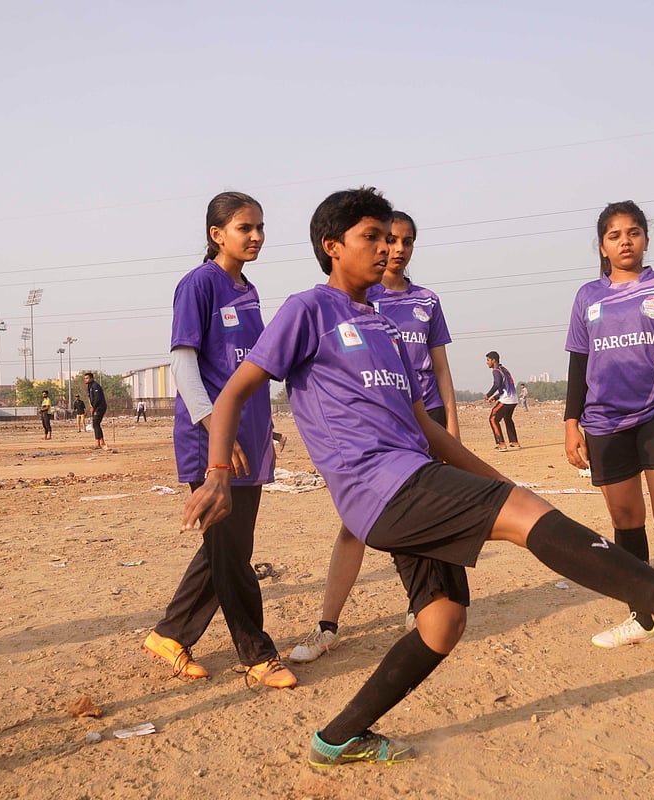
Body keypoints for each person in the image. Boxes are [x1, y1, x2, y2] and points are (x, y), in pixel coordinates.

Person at [183, 187, 654, 768]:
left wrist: (494, 477)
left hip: (412, 474)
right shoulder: (308, 309)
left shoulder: (382, 321)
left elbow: (420, 423)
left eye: (389, 239)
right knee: (526, 521)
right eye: (371, 238)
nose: (385, 250)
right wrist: (216, 472)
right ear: (332, 247)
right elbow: (238, 391)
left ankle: (339, 737)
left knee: (442, 624)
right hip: (380, 486)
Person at [289, 209, 460, 664]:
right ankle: (328, 623)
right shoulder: (356, 298)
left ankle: (423, 606)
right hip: (377, 430)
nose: (395, 249)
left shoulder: (425, 301)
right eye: (387, 239)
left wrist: (452, 428)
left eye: (404, 241)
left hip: (425, 422)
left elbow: (440, 368)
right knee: (356, 524)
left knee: (434, 516)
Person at [142, 191, 296, 689]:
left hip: (247, 438)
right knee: (231, 550)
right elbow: (183, 362)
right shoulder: (198, 285)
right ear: (217, 234)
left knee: (227, 547)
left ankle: (170, 634)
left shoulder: (248, 291)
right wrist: (213, 426)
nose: (256, 237)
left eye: (260, 227)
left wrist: (260, 424)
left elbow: (248, 367)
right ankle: (257, 653)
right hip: (210, 440)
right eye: (244, 228)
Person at [564, 200, 654, 679]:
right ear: (602, 245)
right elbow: (579, 363)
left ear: (646, 239)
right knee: (625, 518)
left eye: (633, 232)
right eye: (613, 235)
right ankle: (642, 618)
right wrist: (571, 421)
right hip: (604, 421)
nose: (624, 241)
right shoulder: (587, 296)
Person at [484, 351, 519, 451]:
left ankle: (501, 444)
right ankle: (514, 442)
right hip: (513, 399)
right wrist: (495, 398)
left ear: (493, 360)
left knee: (493, 419)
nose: (487, 362)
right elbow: (505, 387)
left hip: (506, 400)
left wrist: (489, 394)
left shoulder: (496, 371)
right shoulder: (504, 369)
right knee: (507, 418)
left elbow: (497, 384)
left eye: (488, 360)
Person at [84, 373, 106, 449]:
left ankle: (98, 443)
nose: (85, 380)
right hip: (95, 407)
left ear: (91, 378)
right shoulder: (89, 386)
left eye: (87, 378)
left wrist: (93, 407)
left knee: (95, 423)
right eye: (85, 378)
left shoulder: (95, 385)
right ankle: (101, 441)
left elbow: (97, 398)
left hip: (100, 407)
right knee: (96, 424)